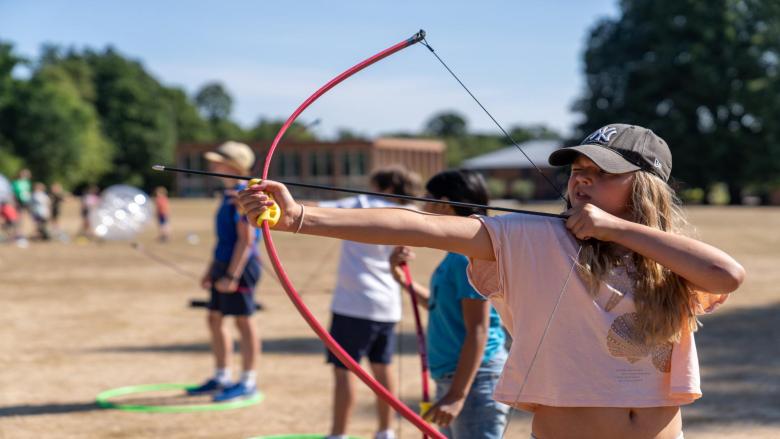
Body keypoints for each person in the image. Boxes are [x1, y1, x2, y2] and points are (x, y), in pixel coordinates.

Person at [237, 124, 745, 439]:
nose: (581, 179)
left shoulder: (666, 263)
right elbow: (425, 227)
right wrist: (300, 216)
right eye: (577, 170)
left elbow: (728, 274)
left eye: (603, 172)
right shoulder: (533, 237)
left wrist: (616, 229)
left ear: (647, 186)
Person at [388, 170, 509, 439]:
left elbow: (478, 329)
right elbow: (440, 307)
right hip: (456, 378)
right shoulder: (457, 253)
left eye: (426, 198)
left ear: (443, 203)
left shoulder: (467, 257)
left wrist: (456, 395)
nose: (422, 205)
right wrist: (401, 279)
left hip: (474, 380)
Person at [310, 165, 421, 439]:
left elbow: (316, 208)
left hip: (354, 305)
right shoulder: (409, 213)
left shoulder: (362, 204)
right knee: (383, 368)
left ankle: (338, 434)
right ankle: (385, 432)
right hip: (387, 305)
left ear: (387, 188)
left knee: (344, 370)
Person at [188, 141, 262, 402]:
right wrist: (212, 269)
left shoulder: (244, 195)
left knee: (244, 322)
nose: (213, 166)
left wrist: (232, 275)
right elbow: (224, 239)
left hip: (240, 267)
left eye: (218, 161)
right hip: (224, 265)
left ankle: (248, 381)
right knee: (215, 319)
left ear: (233, 166)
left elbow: (247, 240)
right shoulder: (229, 194)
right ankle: (221, 376)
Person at [11, 169, 32, 233]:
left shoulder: (27, 183)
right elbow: (13, 192)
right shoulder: (15, 182)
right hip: (18, 201)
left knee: (26, 217)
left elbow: (28, 192)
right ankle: (17, 231)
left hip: (26, 201)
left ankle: (24, 230)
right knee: (18, 217)